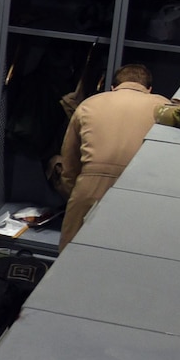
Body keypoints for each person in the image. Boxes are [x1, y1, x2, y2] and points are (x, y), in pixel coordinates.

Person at [59, 64, 168, 246]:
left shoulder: (89, 104)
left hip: (90, 186)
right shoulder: (163, 106)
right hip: (138, 189)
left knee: (72, 255)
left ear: (113, 87)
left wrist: (76, 193)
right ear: (149, 89)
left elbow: (69, 164)